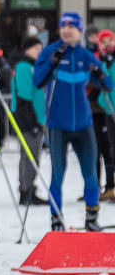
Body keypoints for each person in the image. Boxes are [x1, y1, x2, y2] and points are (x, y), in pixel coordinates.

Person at [33, 12, 114, 232]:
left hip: (84, 125)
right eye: (63, 26)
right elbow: (38, 81)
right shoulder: (50, 51)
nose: (66, 30)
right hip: (58, 125)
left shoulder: (86, 55)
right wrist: (52, 62)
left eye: (71, 26)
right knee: (57, 175)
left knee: (90, 174)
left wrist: (99, 72)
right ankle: (56, 220)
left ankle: (91, 217)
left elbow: (109, 85)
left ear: (79, 31)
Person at [10, 36, 49, 206]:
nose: (39, 52)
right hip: (27, 118)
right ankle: (26, 190)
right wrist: (32, 121)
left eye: (41, 48)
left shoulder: (33, 66)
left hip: (35, 117)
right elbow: (24, 96)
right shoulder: (24, 67)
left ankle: (29, 188)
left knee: (33, 154)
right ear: (27, 50)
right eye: (36, 49)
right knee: (29, 155)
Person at [95, 29, 115, 201]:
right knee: (111, 148)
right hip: (110, 112)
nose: (107, 44)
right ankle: (112, 187)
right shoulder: (101, 64)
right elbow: (104, 89)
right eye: (104, 41)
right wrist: (105, 104)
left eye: (110, 40)